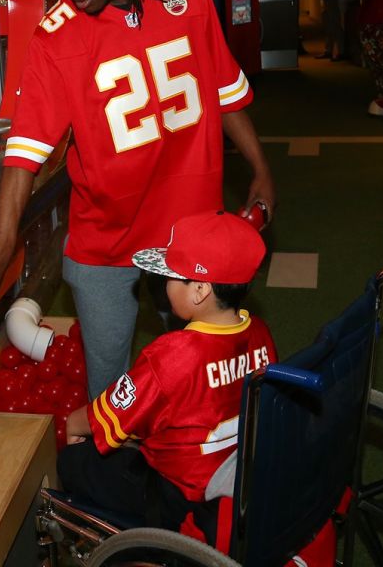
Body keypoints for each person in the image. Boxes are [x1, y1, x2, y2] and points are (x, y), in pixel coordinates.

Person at [0, 0, 276, 399]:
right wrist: (0, 248)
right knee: (110, 388)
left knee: (201, 376)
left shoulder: (187, 1)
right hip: (106, 241)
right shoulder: (56, 37)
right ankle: (114, 476)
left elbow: (224, 96)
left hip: (188, 234)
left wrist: (260, 168)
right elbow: (24, 154)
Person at [59, 210, 277, 544]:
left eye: (171, 276)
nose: (162, 284)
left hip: (181, 494)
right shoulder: (260, 333)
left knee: (74, 461)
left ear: (200, 290)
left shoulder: (172, 355)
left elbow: (104, 417)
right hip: (236, 472)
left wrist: (67, 426)